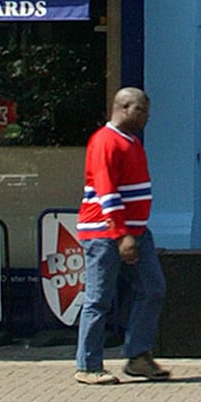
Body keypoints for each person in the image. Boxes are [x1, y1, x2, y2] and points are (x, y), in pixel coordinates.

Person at [74, 86, 169, 385]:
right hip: (106, 233)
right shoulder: (105, 141)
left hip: (136, 230)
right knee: (98, 298)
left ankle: (138, 356)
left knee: (153, 288)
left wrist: (133, 232)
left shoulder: (131, 142)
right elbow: (106, 191)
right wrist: (121, 235)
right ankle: (88, 365)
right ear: (125, 108)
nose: (147, 117)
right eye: (142, 110)